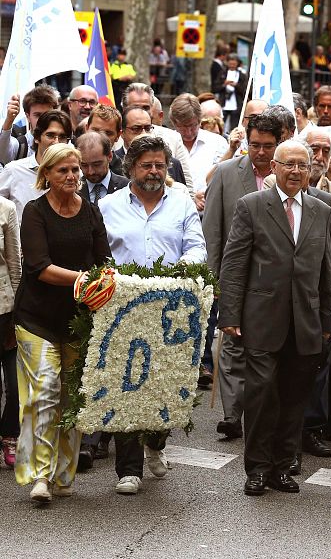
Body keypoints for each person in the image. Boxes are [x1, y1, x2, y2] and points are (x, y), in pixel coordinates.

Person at [217, 140, 331, 496]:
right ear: (274, 167)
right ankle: (256, 468)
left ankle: (283, 468)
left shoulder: (322, 208)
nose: (297, 171)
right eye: (289, 165)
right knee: (261, 396)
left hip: (306, 322)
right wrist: (230, 313)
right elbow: (235, 263)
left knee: (294, 398)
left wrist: (329, 321)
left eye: (303, 165)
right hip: (261, 319)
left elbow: (326, 268)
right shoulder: (252, 206)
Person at [98, 135, 205, 495]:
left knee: (161, 383)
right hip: (122, 309)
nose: (155, 171)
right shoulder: (109, 205)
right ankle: (128, 469)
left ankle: (156, 444)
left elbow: (195, 247)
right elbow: (100, 256)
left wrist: (176, 276)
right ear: (130, 167)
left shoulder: (182, 203)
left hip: (168, 308)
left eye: (160, 164)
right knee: (127, 384)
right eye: (147, 165)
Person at [14, 143, 111, 502]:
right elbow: (39, 267)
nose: (71, 177)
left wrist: (105, 279)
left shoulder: (90, 211)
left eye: (75, 170)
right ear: (47, 175)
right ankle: (40, 476)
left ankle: (63, 472)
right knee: (45, 390)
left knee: (72, 399)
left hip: (77, 321)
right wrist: (84, 280)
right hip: (36, 318)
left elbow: (105, 259)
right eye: (62, 171)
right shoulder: (34, 212)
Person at [203, 113, 285, 440]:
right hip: (235, 275)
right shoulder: (225, 174)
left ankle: (259, 410)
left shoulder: (288, 175)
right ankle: (232, 415)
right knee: (232, 344)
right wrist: (214, 279)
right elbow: (212, 230)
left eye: (268, 146)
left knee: (264, 348)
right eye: (255, 145)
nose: (261, 153)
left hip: (275, 280)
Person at [0, 110, 72, 220]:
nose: (56, 142)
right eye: (50, 135)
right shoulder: (13, 171)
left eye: (62, 137)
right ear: (37, 138)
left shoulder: (75, 176)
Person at [0, 193, 20, 468]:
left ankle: (9, 435)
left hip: (5, 308)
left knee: (16, 384)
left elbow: (15, 263)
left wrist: (20, 309)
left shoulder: (6, 208)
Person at [0, 85, 59, 164]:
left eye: (47, 114)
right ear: (28, 116)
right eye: (37, 115)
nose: (43, 119)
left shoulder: (64, 144)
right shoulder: (20, 147)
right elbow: (3, 155)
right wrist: (9, 120)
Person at [76, 132, 129, 205]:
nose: (90, 172)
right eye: (84, 165)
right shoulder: (74, 190)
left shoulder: (127, 188)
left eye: (96, 164)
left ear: (110, 156)